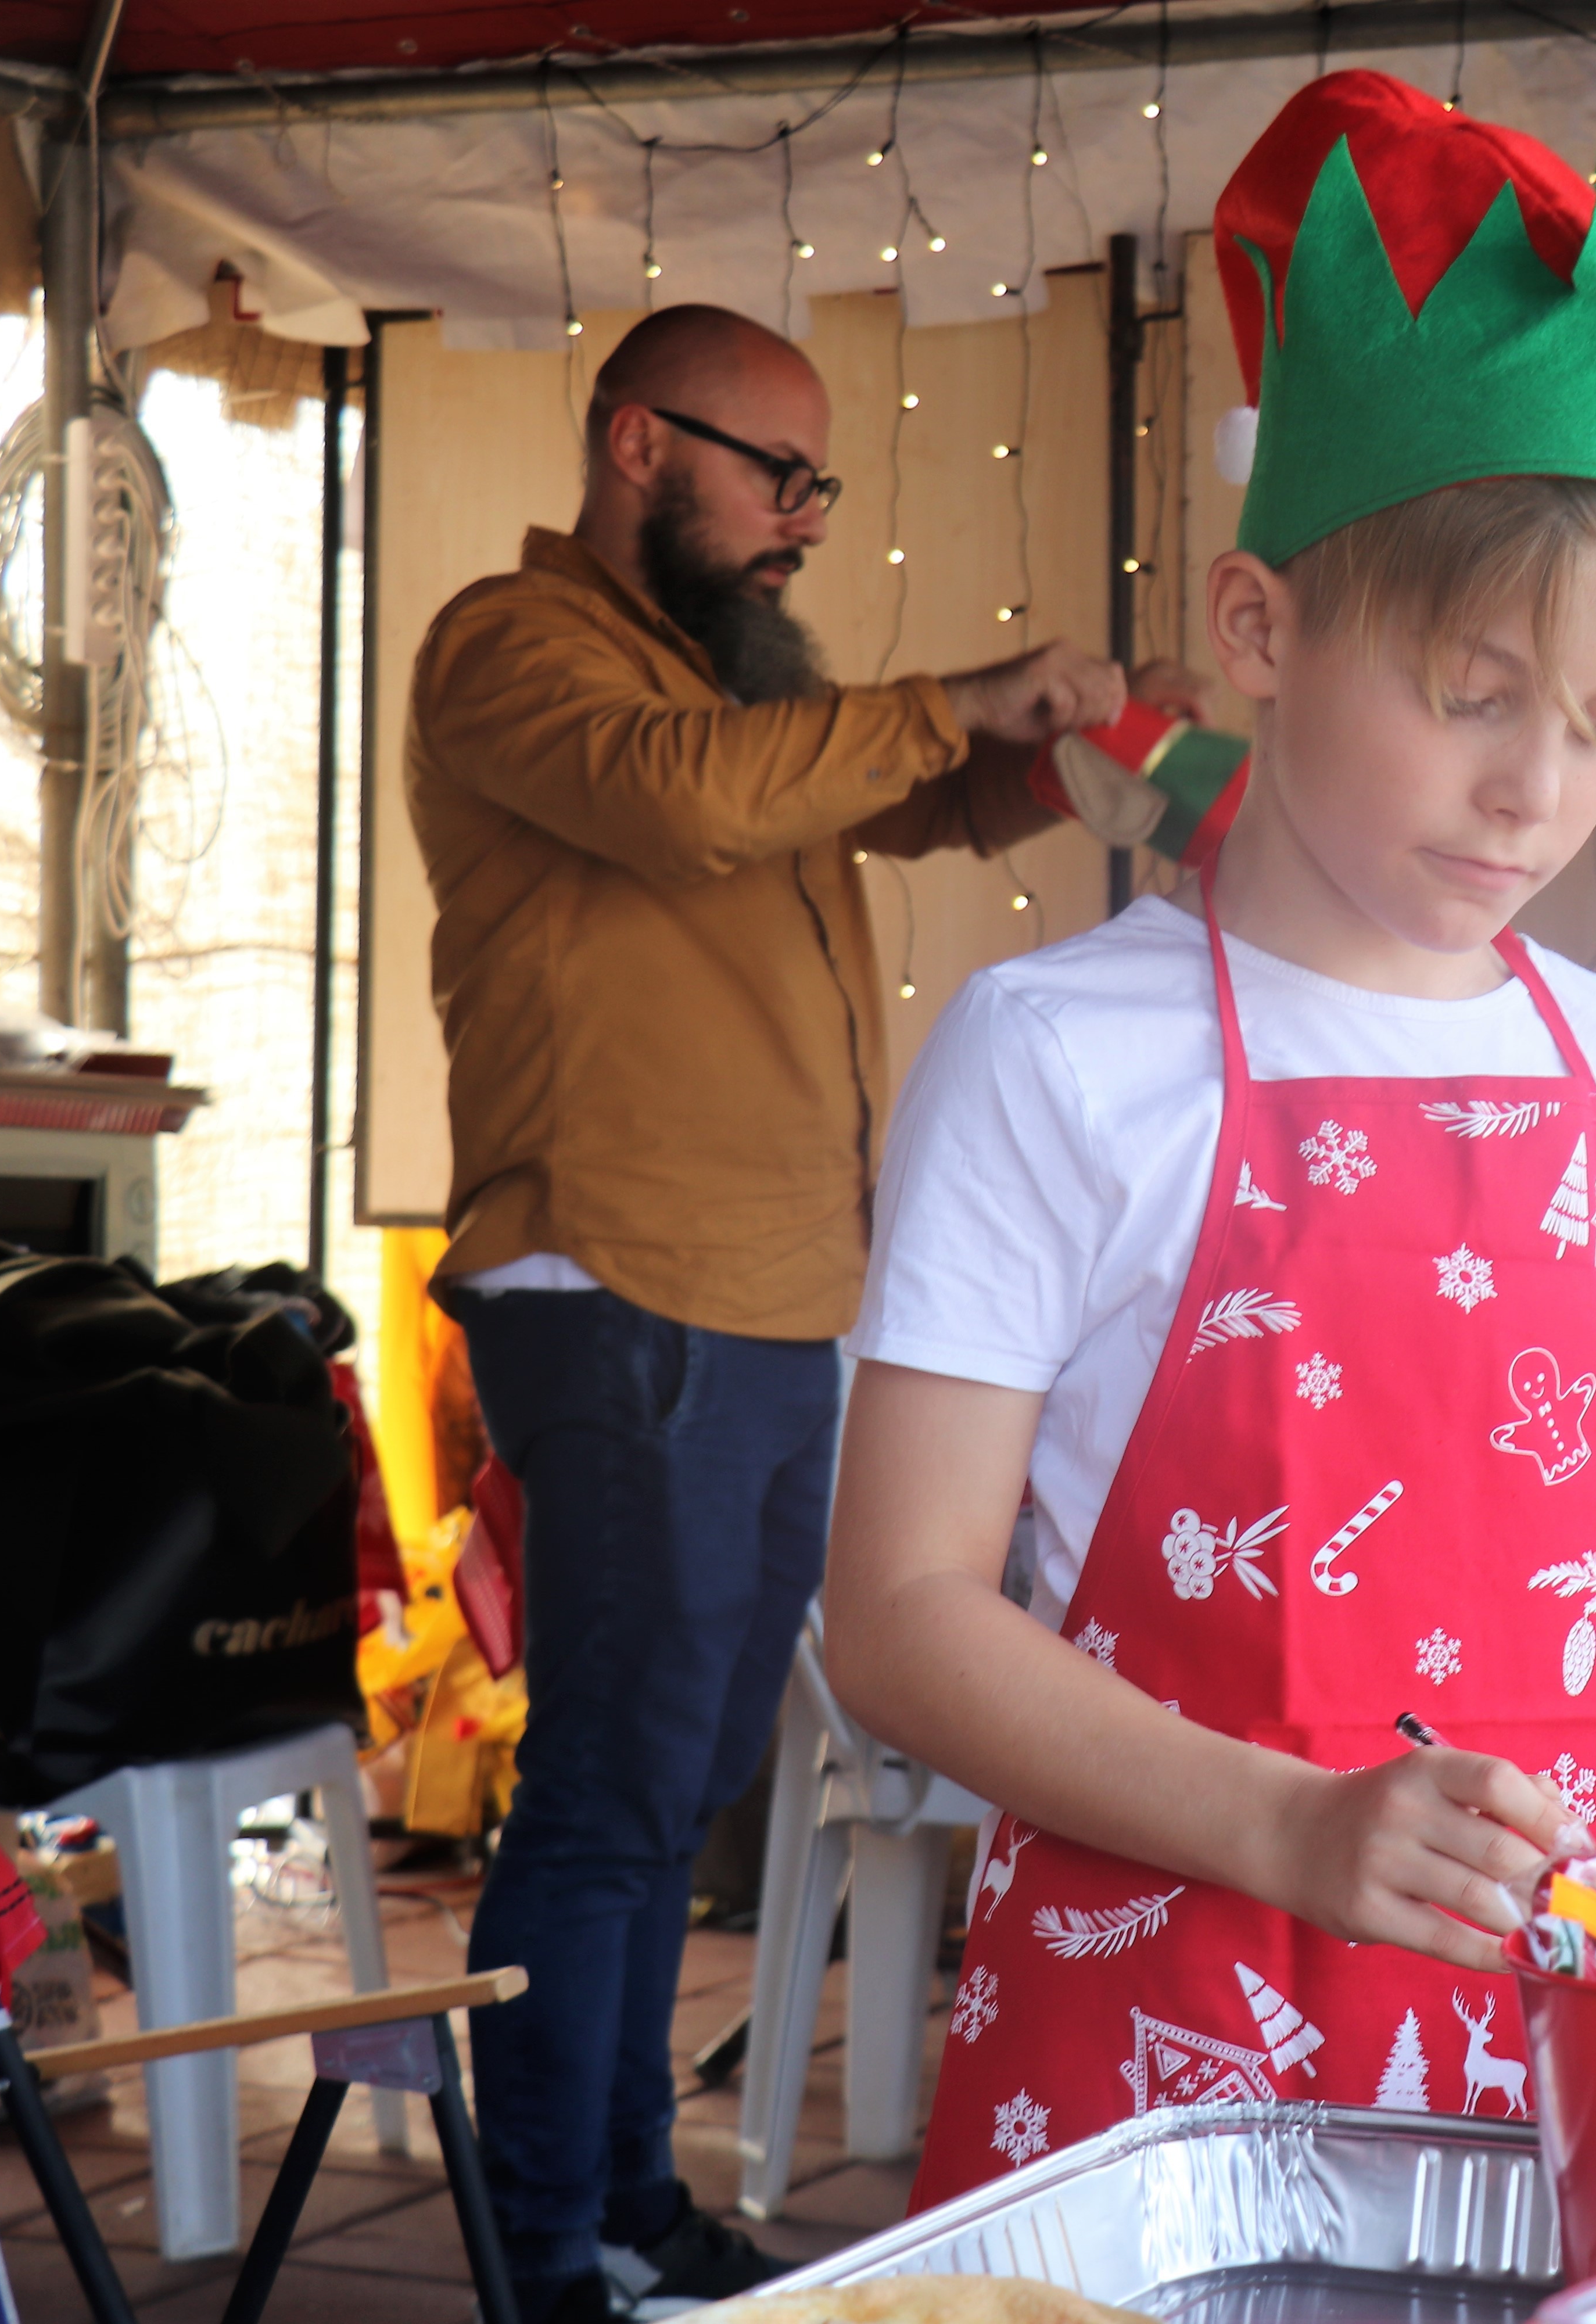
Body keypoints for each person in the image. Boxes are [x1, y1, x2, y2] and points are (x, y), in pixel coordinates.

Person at [822, 73, 1596, 2207]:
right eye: (1474, 694)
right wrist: (1289, 1827)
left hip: (1568, 2056)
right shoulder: (1052, 1057)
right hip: (1155, 2076)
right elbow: (903, 1610)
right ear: (1261, 630)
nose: (1537, 792)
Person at [404, 303, 1170, 2324]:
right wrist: (960, 694)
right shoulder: (519, 647)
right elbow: (692, 797)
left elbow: (905, 804)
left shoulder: (727, 687)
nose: (804, 525)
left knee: (687, 1779)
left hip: (765, 1298)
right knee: (609, 1787)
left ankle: (629, 2197)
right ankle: (546, 2238)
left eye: (821, 486)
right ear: (639, 445)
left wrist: (1075, 739)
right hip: (619, 1281)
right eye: (781, 476)